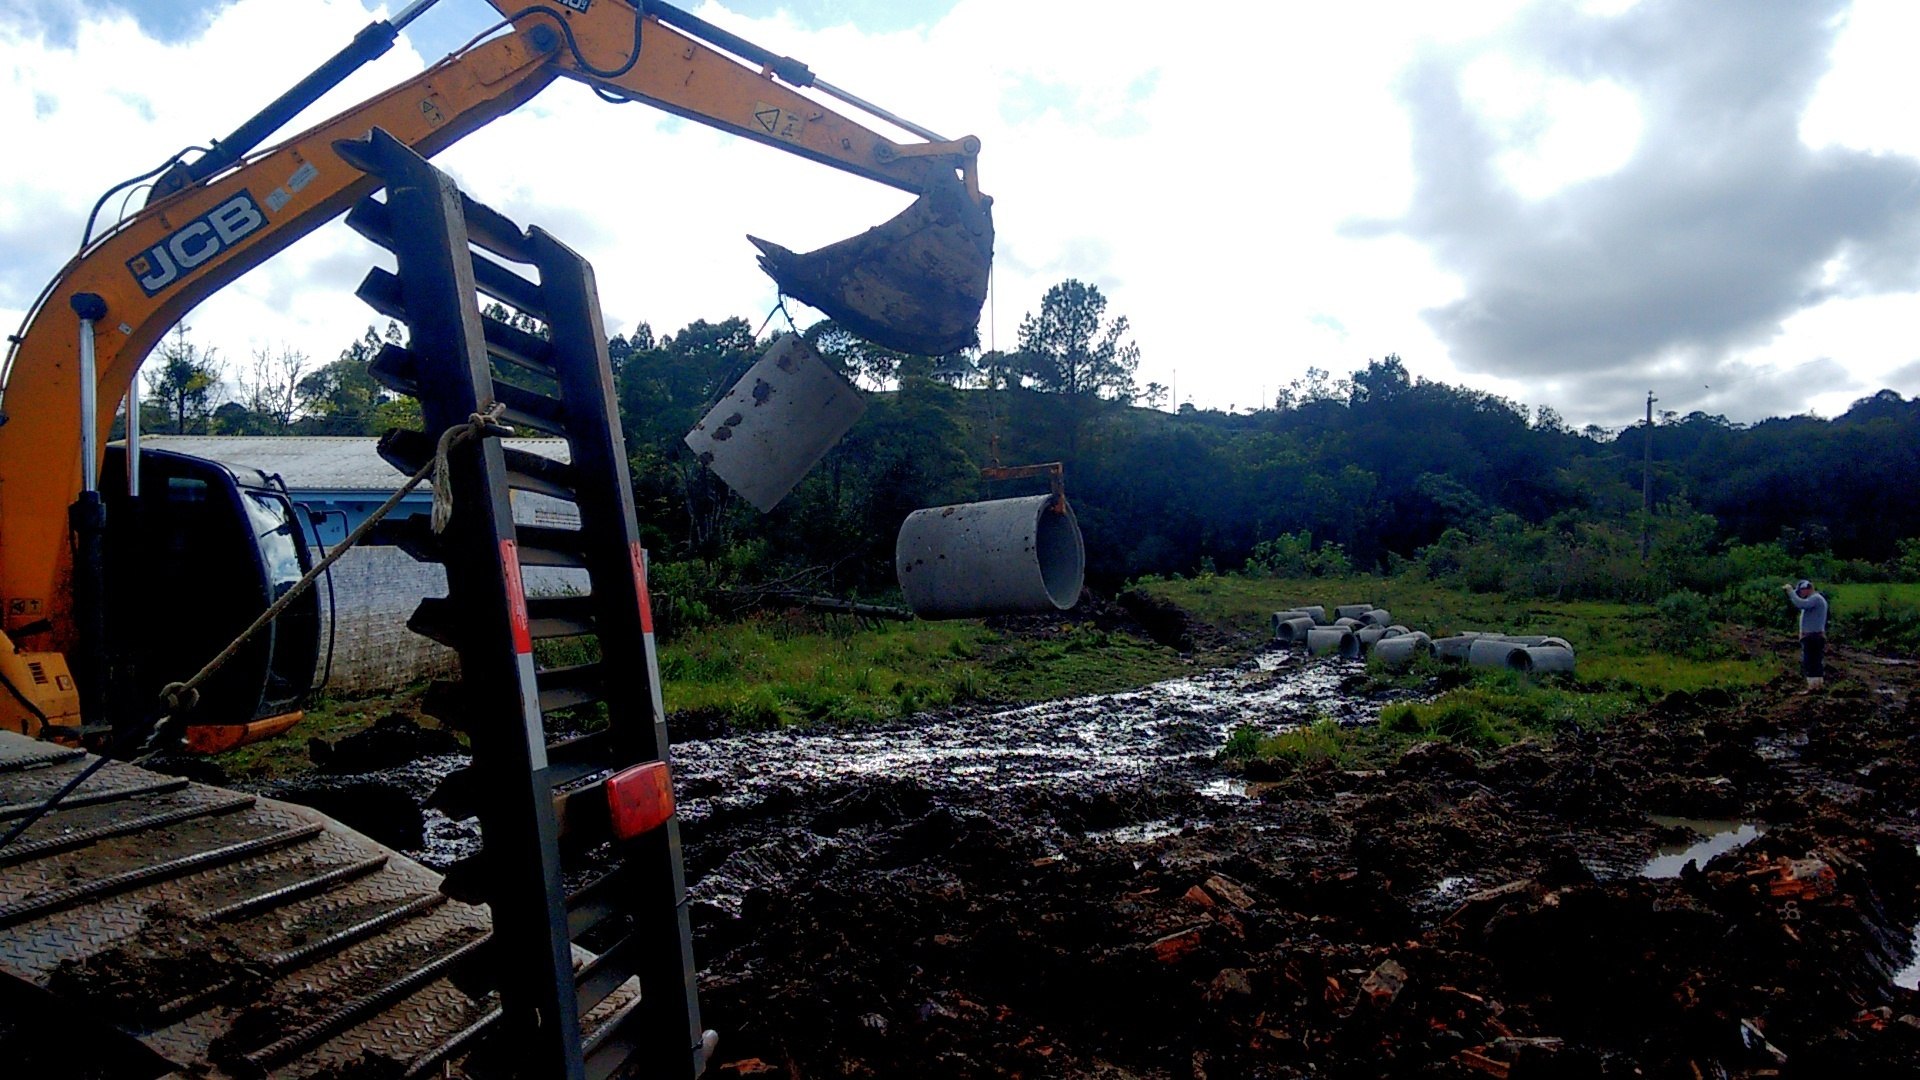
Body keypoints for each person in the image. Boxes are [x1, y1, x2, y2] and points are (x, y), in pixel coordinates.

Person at [1783, 579, 1828, 693]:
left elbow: (1800, 604)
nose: (1800, 594)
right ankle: (1816, 686)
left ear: (1808, 589)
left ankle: (1814, 687)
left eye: (1801, 591)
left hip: (1813, 637)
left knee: (1811, 661)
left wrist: (1790, 592)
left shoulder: (1815, 599)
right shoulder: (1815, 600)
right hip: (1813, 636)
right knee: (1814, 661)